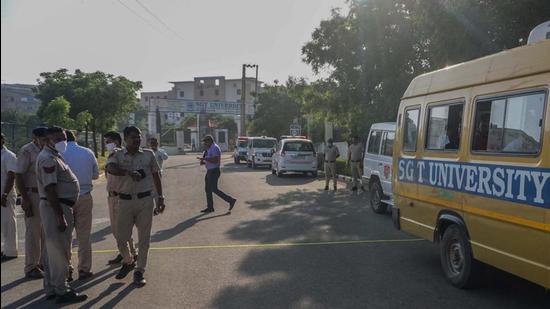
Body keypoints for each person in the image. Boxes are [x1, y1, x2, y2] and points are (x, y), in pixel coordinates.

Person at [106, 126, 165, 286]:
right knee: (121, 238)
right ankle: (128, 260)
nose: (137, 139)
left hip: (145, 201)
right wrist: (127, 172)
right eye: (133, 137)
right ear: (125, 139)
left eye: (139, 137)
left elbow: (156, 175)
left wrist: (160, 197)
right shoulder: (117, 155)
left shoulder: (148, 154)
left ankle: (139, 271)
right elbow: (110, 168)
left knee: (144, 239)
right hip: (124, 201)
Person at [36, 126, 87, 304]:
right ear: (48, 140)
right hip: (56, 207)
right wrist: (60, 216)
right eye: (58, 139)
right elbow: (50, 189)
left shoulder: (54, 156)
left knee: (52, 251)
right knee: (60, 250)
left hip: (58, 206)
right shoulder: (48, 159)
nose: (62, 142)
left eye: (63, 138)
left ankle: (51, 287)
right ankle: (62, 290)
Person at [62, 130, 99, 280]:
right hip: (84, 196)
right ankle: (84, 269)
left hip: (64, 199)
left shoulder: (58, 154)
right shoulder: (88, 152)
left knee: (65, 236)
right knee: (84, 235)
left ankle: (67, 269)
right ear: (75, 138)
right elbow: (96, 175)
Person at [15, 127, 48, 279]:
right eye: (41, 138)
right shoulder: (27, 151)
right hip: (32, 194)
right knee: (33, 233)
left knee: (44, 232)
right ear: (35, 137)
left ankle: (41, 263)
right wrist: (25, 198)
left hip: (45, 195)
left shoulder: (46, 149)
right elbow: (19, 175)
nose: (44, 140)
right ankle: (31, 266)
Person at [103, 131, 137, 265]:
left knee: (119, 230)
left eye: (109, 141)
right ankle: (129, 253)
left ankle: (128, 258)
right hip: (114, 196)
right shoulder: (116, 155)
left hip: (118, 196)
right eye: (106, 142)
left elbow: (113, 169)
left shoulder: (117, 154)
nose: (107, 144)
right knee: (122, 230)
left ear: (117, 141)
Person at [198, 135, 236, 213]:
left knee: (214, 189)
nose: (204, 144)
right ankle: (210, 207)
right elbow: (209, 159)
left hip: (214, 171)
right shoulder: (209, 149)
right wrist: (204, 161)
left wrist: (205, 159)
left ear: (209, 141)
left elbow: (215, 160)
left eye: (205, 142)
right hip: (209, 171)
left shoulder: (215, 148)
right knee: (208, 189)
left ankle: (231, 200)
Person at [1, 133, 18, 261]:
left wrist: (5, 194)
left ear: (2, 140)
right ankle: (3, 249)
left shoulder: (9, 156)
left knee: (8, 224)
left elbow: (11, 176)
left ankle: (10, 251)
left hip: (5, 195)